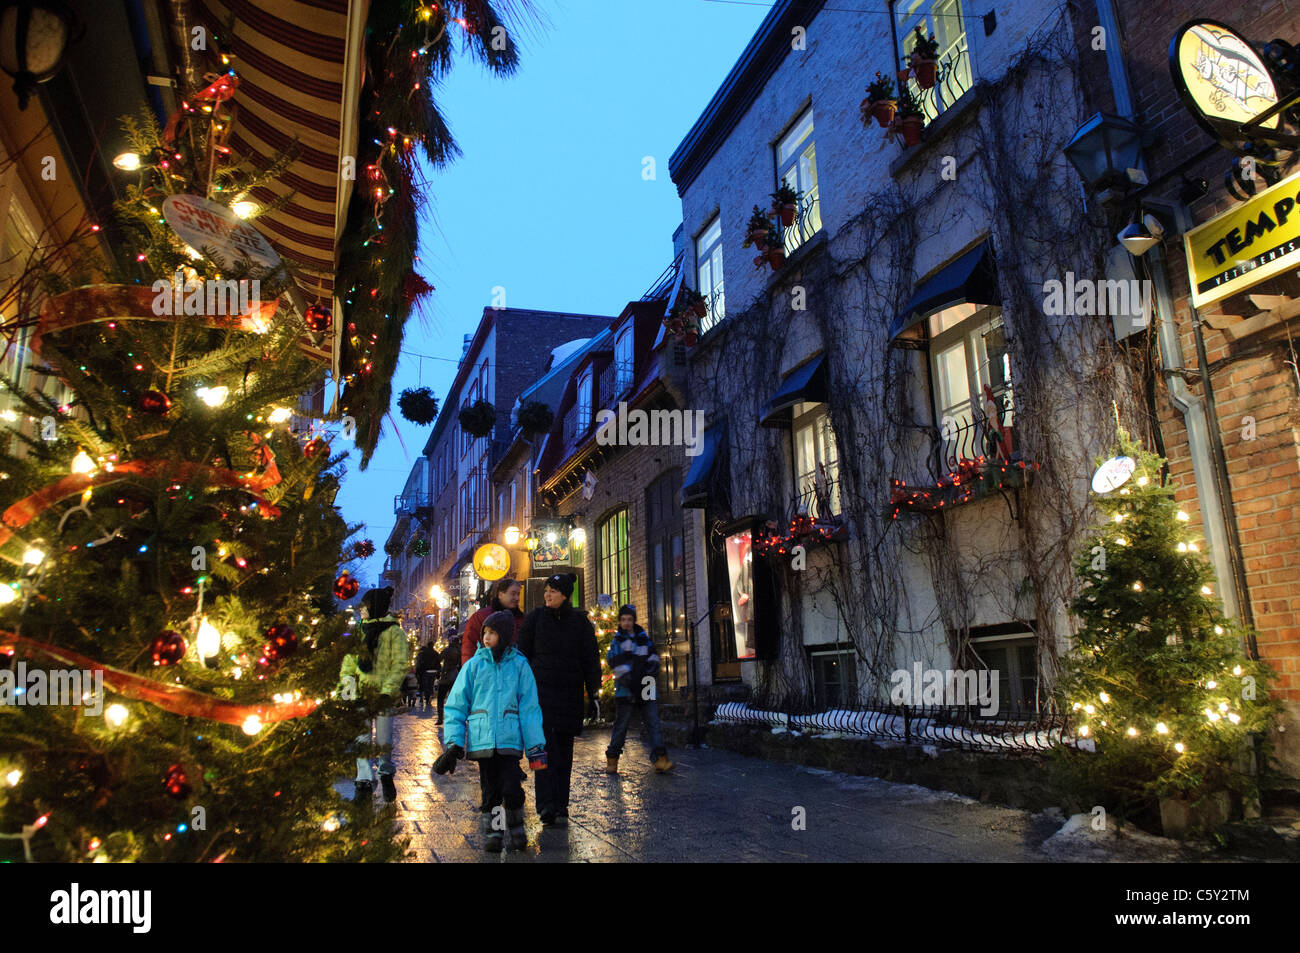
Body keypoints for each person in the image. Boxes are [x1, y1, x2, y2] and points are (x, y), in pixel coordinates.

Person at [432, 610, 547, 852]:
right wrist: (454, 742)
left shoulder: (519, 665)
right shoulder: (474, 666)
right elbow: (456, 705)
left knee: (511, 787)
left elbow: (529, 708)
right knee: (491, 791)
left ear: (504, 636)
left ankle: (516, 826)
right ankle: (494, 831)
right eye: (485, 632)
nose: (486, 637)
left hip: (510, 740)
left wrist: (535, 744)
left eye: (493, 633)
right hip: (482, 740)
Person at [516, 573, 600, 826]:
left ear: (565, 594)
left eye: (552, 591)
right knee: (542, 750)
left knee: (564, 753)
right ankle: (545, 804)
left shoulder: (579, 622)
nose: (547, 595)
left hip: (569, 694)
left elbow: (590, 658)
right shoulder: (535, 619)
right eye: (546, 591)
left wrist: (593, 690)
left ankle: (561, 803)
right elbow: (522, 654)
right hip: (540, 696)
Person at [338, 587, 407, 803]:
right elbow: (348, 664)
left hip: (383, 697)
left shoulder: (394, 632)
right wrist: (348, 691)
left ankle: (385, 773)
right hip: (361, 694)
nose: (362, 611)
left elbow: (399, 664)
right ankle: (364, 782)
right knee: (362, 740)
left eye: (365, 607)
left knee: (384, 740)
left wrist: (388, 692)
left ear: (374, 607)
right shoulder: (359, 631)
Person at [605, 605, 673, 775]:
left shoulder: (644, 639)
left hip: (646, 685)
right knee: (622, 725)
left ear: (633, 620)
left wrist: (649, 673)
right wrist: (628, 679)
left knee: (653, 722)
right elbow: (614, 661)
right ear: (620, 622)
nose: (626, 623)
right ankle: (612, 759)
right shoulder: (617, 641)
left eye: (629, 619)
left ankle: (660, 758)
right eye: (623, 620)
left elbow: (653, 658)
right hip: (626, 688)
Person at [461, 578, 524, 667]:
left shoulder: (521, 619)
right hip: (485, 670)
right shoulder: (481, 617)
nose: (517, 598)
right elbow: (469, 646)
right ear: (500, 594)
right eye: (513, 594)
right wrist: (469, 670)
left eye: (518, 594)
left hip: (513, 671)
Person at [435, 631, 461, 725]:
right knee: (454, 698)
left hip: (446, 675)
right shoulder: (460, 651)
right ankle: (454, 717)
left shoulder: (447, 650)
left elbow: (438, 658)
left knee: (441, 697)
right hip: (456, 675)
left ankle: (440, 718)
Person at [414, 638, 441, 710]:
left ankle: (427, 697)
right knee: (431, 684)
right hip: (433, 671)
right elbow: (438, 663)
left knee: (425, 685)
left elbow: (419, 663)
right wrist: (438, 672)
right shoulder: (436, 653)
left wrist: (418, 671)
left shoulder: (422, 653)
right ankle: (429, 697)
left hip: (425, 671)